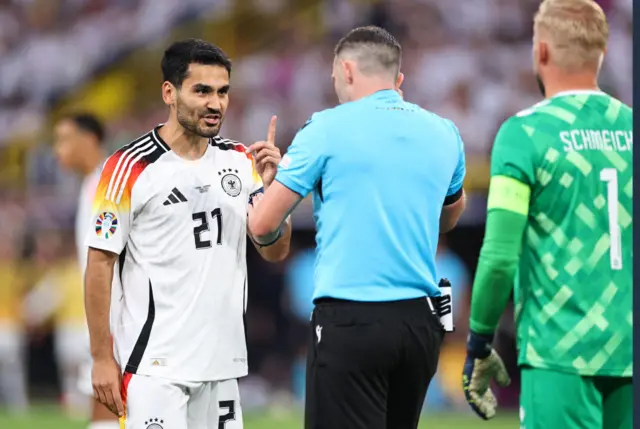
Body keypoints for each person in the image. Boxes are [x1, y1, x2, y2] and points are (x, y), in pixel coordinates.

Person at [248, 26, 467, 429]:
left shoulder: (325, 128)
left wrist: (268, 186)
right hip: (420, 323)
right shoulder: (445, 132)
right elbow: (450, 216)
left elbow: (263, 225)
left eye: (333, 77)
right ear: (397, 79)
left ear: (346, 70)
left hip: (352, 320)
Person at [83, 39, 291, 429]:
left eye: (223, 92)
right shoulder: (128, 167)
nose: (215, 103)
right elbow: (100, 263)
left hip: (222, 366)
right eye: (202, 91)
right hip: (154, 368)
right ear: (169, 92)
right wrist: (99, 356)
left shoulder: (241, 161)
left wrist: (274, 197)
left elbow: (275, 252)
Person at [461, 1, 632, 428]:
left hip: (560, 349)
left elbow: (500, 255)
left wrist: (480, 339)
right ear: (601, 53)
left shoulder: (523, 135)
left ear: (540, 52)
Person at [53, 113, 119, 429]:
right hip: (104, 320)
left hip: (116, 320)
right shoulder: (92, 183)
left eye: (64, 139)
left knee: (109, 410)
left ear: (89, 139)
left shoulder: (107, 183)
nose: (57, 149)